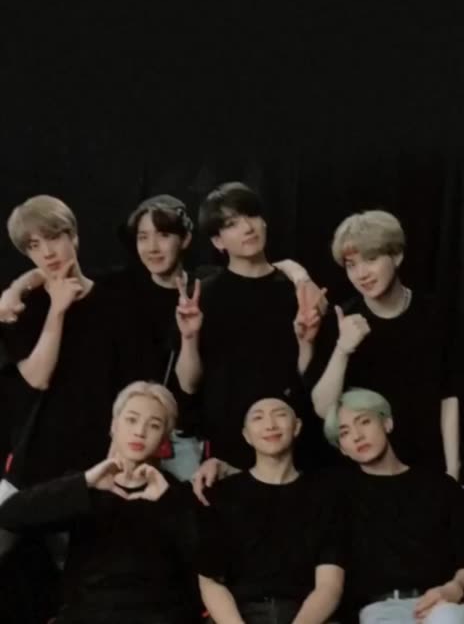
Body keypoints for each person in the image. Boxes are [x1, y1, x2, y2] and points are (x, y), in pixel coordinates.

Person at [0, 194, 323, 480]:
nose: (153, 247)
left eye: (164, 235)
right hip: (112, 435)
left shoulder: (205, 287)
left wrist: (300, 276)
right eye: (143, 237)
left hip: (186, 433)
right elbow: (58, 276)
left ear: (185, 240)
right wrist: (17, 289)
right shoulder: (123, 288)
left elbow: (258, 270)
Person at [0, 380, 200, 624]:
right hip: (88, 613)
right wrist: (84, 482)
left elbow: (207, 559)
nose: (140, 432)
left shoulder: (176, 494)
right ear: (114, 426)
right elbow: (10, 514)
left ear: (163, 441)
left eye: (154, 425)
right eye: (131, 420)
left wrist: (168, 502)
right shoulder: (87, 486)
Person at [175, 182, 326, 471]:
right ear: (218, 241)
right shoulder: (203, 296)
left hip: (295, 435)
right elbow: (189, 384)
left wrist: (307, 340)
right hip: (229, 439)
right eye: (231, 224)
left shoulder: (296, 290)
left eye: (251, 216)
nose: (247, 228)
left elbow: (312, 377)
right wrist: (189, 337)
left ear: (264, 221)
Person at [0, 195, 137, 487]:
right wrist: (57, 310)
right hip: (38, 459)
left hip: (101, 453)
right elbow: (36, 379)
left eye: (53, 238)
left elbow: (131, 384)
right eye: (34, 245)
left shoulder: (116, 303)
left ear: (73, 236)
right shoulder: (21, 308)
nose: (47, 252)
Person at [310, 210, 459, 476]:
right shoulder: (343, 320)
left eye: (371, 259)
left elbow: (449, 396)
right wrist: (343, 348)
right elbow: (324, 409)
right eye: (351, 265)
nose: (361, 274)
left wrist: (453, 470)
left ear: (397, 256)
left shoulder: (435, 313)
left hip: (428, 465)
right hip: (365, 471)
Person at [323, 388, 464, 624]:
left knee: (447, 618)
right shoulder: (339, 496)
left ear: (387, 423)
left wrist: (454, 588)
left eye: (364, 422)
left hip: (445, 605)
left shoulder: (440, 486)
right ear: (342, 448)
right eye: (344, 433)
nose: (357, 436)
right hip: (381, 610)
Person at [197, 391, 345, 624]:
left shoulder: (323, 494)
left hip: (308, 616)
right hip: (238, 615)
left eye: (279, 415)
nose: (270, 425)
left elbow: (329, 585)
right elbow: (210, 580)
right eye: (258, 417)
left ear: (297, 427)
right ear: (246, 435)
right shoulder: (223, 493)